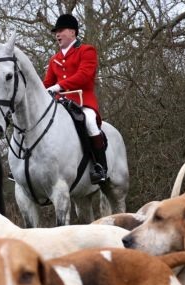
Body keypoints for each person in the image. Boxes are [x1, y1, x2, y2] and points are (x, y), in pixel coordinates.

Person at [43, 13, 108, 185]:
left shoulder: (86, 50)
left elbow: (84, 75)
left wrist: (58, 86)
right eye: (56, 32)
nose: (57, 34)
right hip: (60, 103)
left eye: (61, 31)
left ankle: (100, 167)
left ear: (72, 32)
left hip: (82, 100)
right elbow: (47, 83)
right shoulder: (54, 59)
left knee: (90, 122)